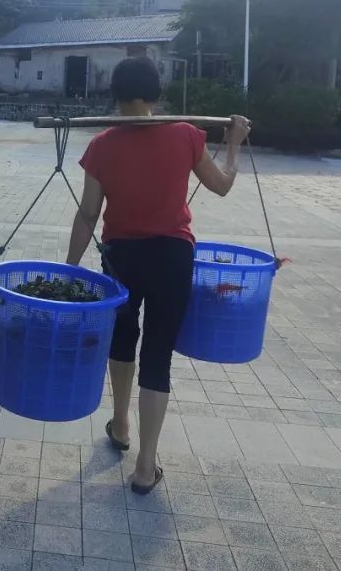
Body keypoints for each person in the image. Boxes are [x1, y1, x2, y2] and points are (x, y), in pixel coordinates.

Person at [66, 56, 249, 495]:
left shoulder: (104, 144)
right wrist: (234, 142)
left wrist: (68, 271)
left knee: (122, 340)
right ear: (155, 95)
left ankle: (122, 423)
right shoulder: (186, 135)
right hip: (172, 256)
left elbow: (89, 212)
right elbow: (222, 184)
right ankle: (145, 466)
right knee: (157, 354)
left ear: (115, 97)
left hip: (120, 256)